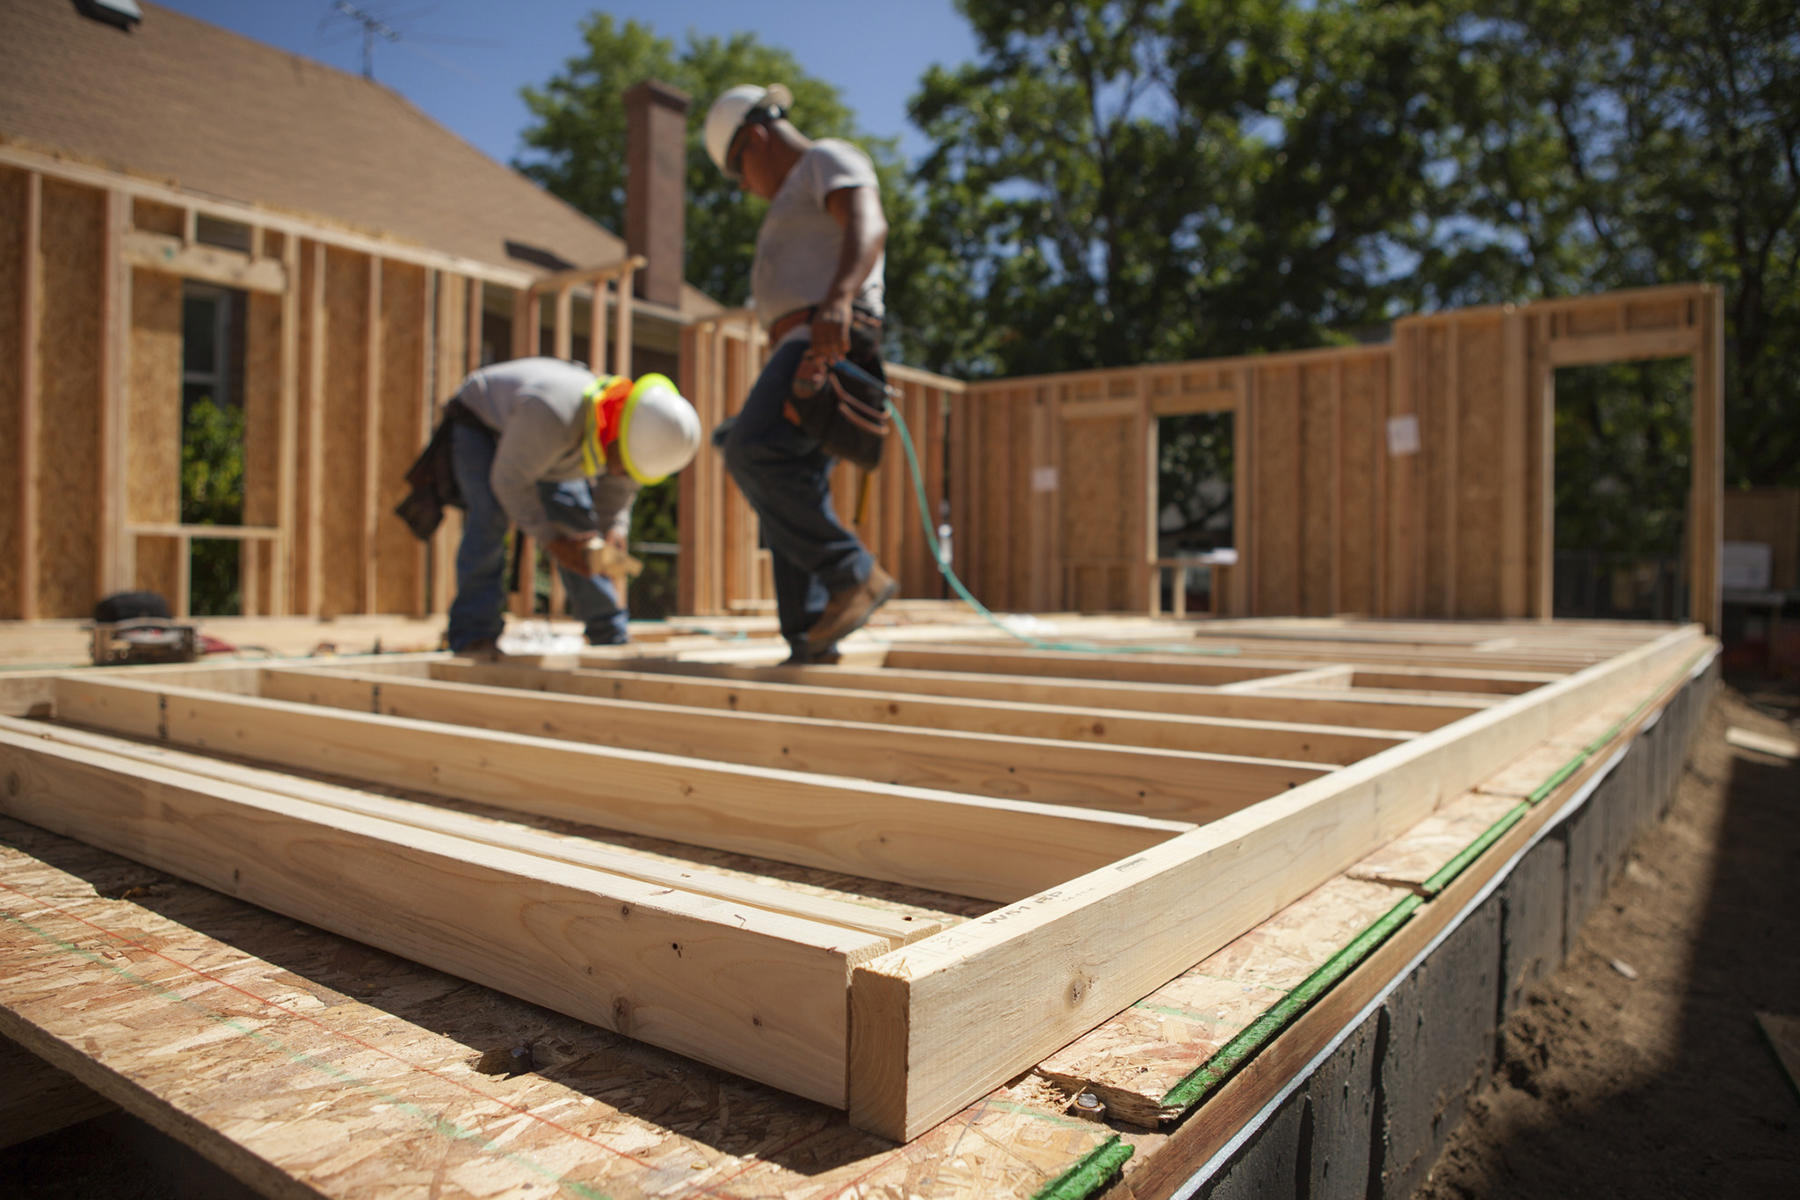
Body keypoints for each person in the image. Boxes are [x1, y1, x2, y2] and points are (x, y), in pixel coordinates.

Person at [703, 83, 899, 665]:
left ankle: (852, 572)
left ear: (756, 139)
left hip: (826, 334)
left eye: (739, 168)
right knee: (784, 473)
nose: (744, 185)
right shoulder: (797, 187)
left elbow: (869, 222)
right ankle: (811, 633)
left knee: (753, 449)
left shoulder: (826, 159)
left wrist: (839, 300)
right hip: (808, 337)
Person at [425, 357, 700, 657]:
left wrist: (612, 530)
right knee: (490, 517)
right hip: (482, 425)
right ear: (614, 439)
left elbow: (621, 487)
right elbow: (509, 482)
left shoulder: (631, 431)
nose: (621, 473)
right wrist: (552, 541)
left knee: (580, 532)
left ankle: (608, 631)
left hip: (548, 443)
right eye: (623, 464)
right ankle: (473, 635)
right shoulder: (552, 413)